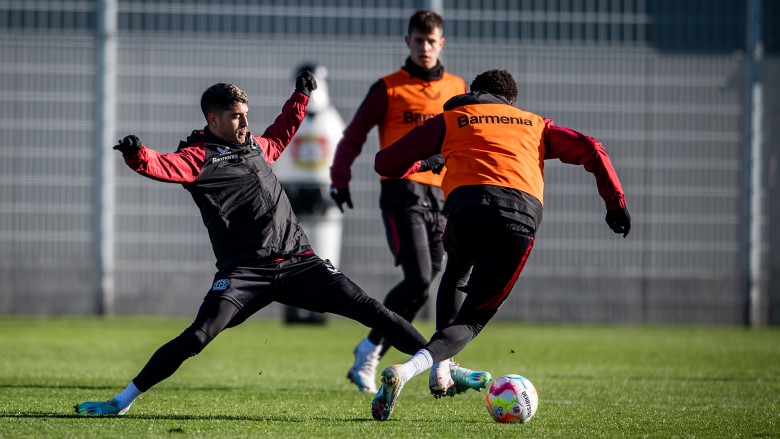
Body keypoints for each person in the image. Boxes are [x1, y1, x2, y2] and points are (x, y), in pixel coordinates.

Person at [75, 74, 432, 416]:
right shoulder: (197, 158)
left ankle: (438, 364)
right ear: (213, 119)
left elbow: (279, 136)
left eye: (246, 115)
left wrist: (300, 97)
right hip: (245, 272)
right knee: (197, 337)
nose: (245, 123)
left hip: (300, 262)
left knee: (373, 310)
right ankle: (121, 401)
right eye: (236, 117)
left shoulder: (253, 145)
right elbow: (161, 165)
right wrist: (136, 154)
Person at [369, 69, 632, 421]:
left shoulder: (454, 118)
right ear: (511, 102)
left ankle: (438, 369)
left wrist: (427, 160)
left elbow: (384, 162)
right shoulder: (534, 124)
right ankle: (415, 369)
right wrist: (615, 203)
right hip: (518, 218)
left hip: (466, 210)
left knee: (454, 273)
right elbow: (590, 148)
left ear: (474, 93)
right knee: (473, 320)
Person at [329, 9, 483, 396]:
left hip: (441, 194)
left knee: (427, 280)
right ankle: (376, 352)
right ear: (408, 43)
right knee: (418, 277)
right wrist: (340, 179)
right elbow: (354, 135)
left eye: (432, 41)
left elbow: (463, 139)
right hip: (401, 191)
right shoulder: (389, 87)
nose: (425, 48)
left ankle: (392, 353)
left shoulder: (456, 86)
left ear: (441, 43)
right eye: (419, 41)